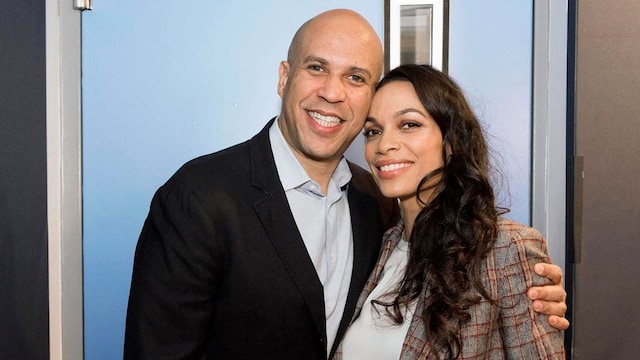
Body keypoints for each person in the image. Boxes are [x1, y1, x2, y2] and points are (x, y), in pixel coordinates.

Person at [124, 9, 567, 360]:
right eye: (317, 67)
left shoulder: (373, 202)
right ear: (284, 76)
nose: (333, 93)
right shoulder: (197, 197)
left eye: (355, 77)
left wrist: (533, 297)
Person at [336, 64, 565, 359]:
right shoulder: (383, 243)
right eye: (373, 131)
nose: (384, 144)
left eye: (409, 124)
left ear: (451, 142)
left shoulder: (505, 249)